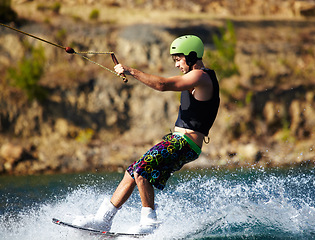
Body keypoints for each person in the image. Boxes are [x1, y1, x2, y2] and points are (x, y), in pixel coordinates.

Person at [72, 35, 220, 234]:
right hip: (178, 141)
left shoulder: (201, 76)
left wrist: (131, 71)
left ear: (192, 56)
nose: (176, 64)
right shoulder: (193, 77)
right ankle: (103, 220)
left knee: (142, 170)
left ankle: (150, 223)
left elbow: (162, 85)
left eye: (178, 59)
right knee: (132, 172)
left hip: (185, 143)